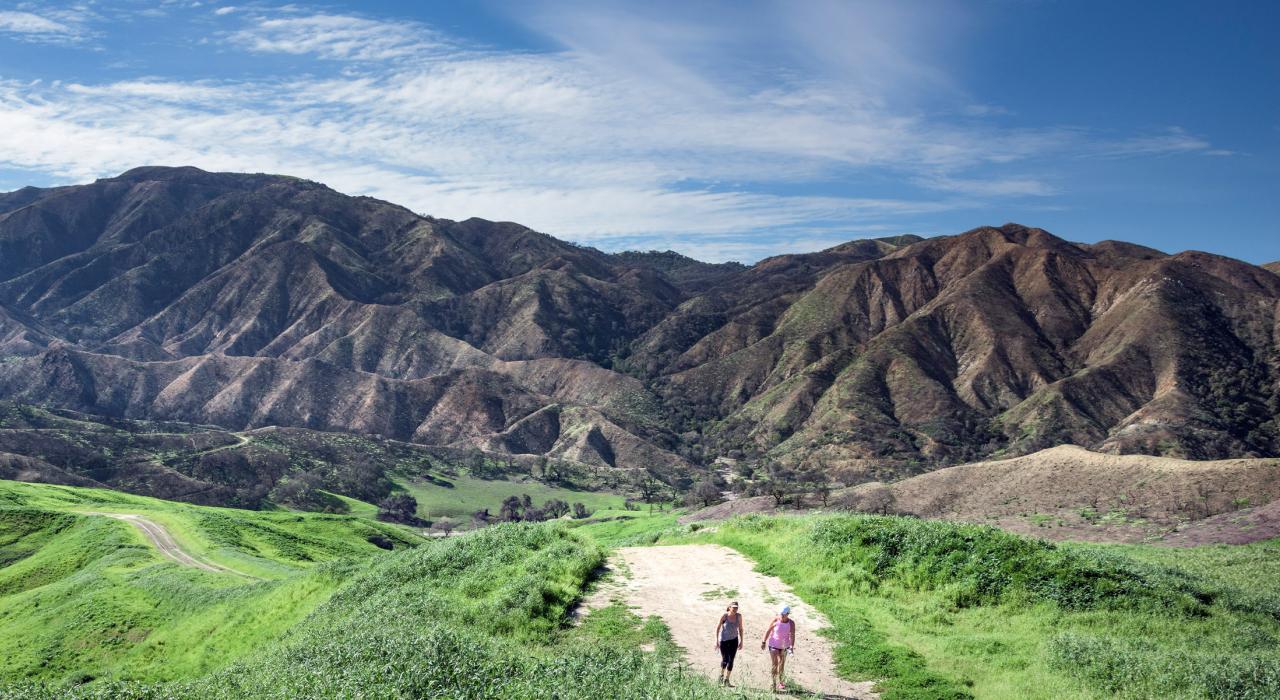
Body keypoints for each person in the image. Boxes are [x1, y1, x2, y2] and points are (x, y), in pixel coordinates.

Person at [761, 605, 796, 692]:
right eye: (781, 614)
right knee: (775, 664)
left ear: (788, 614)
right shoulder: (776, 620)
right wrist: (763, 641)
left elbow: (792, 635)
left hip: (784, 646)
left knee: (781, 665)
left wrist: (791, 646)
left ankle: (781, 682)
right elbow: (768, 630)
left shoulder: (791, 623)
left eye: (784, 614)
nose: (782, 616)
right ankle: (773, 684)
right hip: (773, 644)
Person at [714, 601, 744, 686]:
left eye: (736, 607)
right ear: (729, 607)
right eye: (733, 607)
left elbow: (741, 629)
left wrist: (742, 641)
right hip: (724, 641)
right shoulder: (725, 616)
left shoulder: (739, 616)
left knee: (731, 660)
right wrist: (716, 640)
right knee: (725, 659)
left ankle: (727, 680)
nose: (735, 609)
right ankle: (721, 675)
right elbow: (718, 627)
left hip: (734, 640)